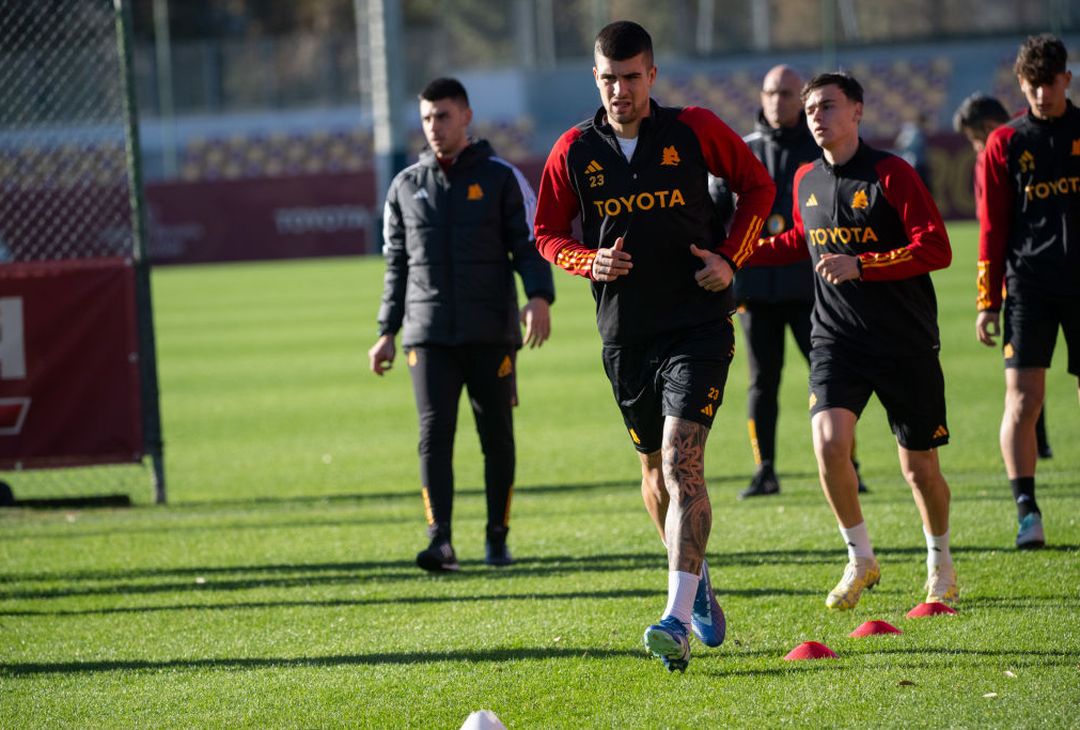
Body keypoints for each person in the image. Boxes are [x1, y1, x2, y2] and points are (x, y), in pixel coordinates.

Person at [534, 21, 775, 671]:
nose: (620, 90)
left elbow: (758, 187)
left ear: (653, 76)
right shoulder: (572, 150)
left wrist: (732, 258)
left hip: (698, 323)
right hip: (625, 335)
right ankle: (695, 582)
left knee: (680, 460)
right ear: (595, 79)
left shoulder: (694, 128)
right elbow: (547, 234)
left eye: (632, 77)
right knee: (654, 474)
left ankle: (673, 616)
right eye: (608, 79)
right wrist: (588, 263)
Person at [744, 72, 957, 611]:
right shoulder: (805, 179)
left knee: (919, 469)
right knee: (829, 443)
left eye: (828, 106)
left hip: (903, 340)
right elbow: (801, 239)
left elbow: (935, 249)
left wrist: (863, 265)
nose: (817, 116)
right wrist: (739, 253)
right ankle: (860, 557)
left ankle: (940, 563)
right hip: (836, 339)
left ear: (858, 111)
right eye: (811, 108)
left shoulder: (893, 174)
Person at [369, 77, 555, 572]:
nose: (434, 127)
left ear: (467, 117)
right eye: (427, 118)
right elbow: (397, 268)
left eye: (444, 116)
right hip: (427, 336)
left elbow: (529, 246)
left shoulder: (500, 178)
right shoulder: (405, 186)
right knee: (434, 435)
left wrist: (538, 297)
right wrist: (386, 331)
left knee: (496, 436)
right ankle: (441, 540)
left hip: (491, 331)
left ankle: (498, 538)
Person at [710, 65, 868, 499]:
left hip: (814, 287)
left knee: (831, 376)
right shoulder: (742, 150)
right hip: (755, 290)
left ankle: (848, 463)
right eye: (771, 92)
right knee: (763, 381)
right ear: (760, 98)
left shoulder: (821, 147)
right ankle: (765, 470)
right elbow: (715, 211)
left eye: (786, 93)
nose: (778, 101)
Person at [976, 34, 1080, 550]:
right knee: (1024, 399)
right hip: (1029, 288)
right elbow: (992, 227)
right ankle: (1027, 511)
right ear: (1022, 84)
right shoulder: (1005, 143)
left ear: (1067, 77)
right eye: (1032, 84)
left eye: (1051, 82)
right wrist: (986, 300)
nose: (1042, 93)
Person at [953, 92, 1053, 461]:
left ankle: (1037, 441)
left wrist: (988, 297)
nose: (976, 146)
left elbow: (992, 224)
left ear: (988, 127)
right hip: (1020, 274)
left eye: (975, 138)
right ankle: (1037, 441)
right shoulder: (998, 153)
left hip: (1024, 273)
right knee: (1028, 372)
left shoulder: (1006, 148)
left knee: (1026, 371)